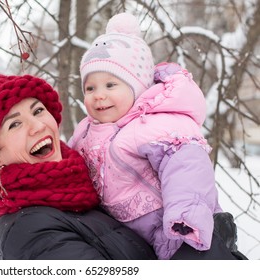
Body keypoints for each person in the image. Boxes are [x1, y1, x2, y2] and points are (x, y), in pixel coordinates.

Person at [69, 12, 246, 260]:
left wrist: (185, 216)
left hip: (176, 229)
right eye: (90, 87)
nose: (98, 95)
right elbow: (69, 165)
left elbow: (187, 167)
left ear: (138, 86)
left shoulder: (157, 122)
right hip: (129, 237)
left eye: (110, 85)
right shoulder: (85, 131)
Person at [0, 69, 157, 260]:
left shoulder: (90, 186)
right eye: (14, 124)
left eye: (37, 111)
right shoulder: (29, 232)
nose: (38, 126)